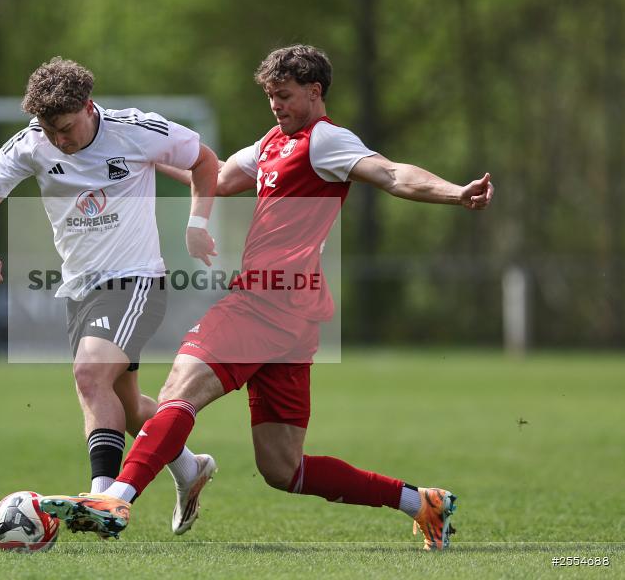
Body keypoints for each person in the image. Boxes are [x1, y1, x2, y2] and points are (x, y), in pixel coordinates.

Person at [38, 45, 494, 550]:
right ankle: (422, 503)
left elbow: (391, 173)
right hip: (294, 316)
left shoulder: (325, 141)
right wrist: (141, 153)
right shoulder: (273, 144)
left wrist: (455, 193)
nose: (275, 105)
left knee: (177, 393)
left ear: (315, 92)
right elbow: (214, 176)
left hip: (265, 301)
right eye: (270, 96)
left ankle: (115, 499)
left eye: (285, 95)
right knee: (283, 467)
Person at [0, 57, 220, 535]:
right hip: (80, 289)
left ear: (88, 106)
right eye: (49, 130)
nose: (59, 140)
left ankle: (103, 500)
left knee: (89, 375)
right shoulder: (31, 144)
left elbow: (204, 162)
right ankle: (189, 466)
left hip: (136, 281)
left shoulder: (135, 130)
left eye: (65, 128)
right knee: (127, 406)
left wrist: (196, 224)